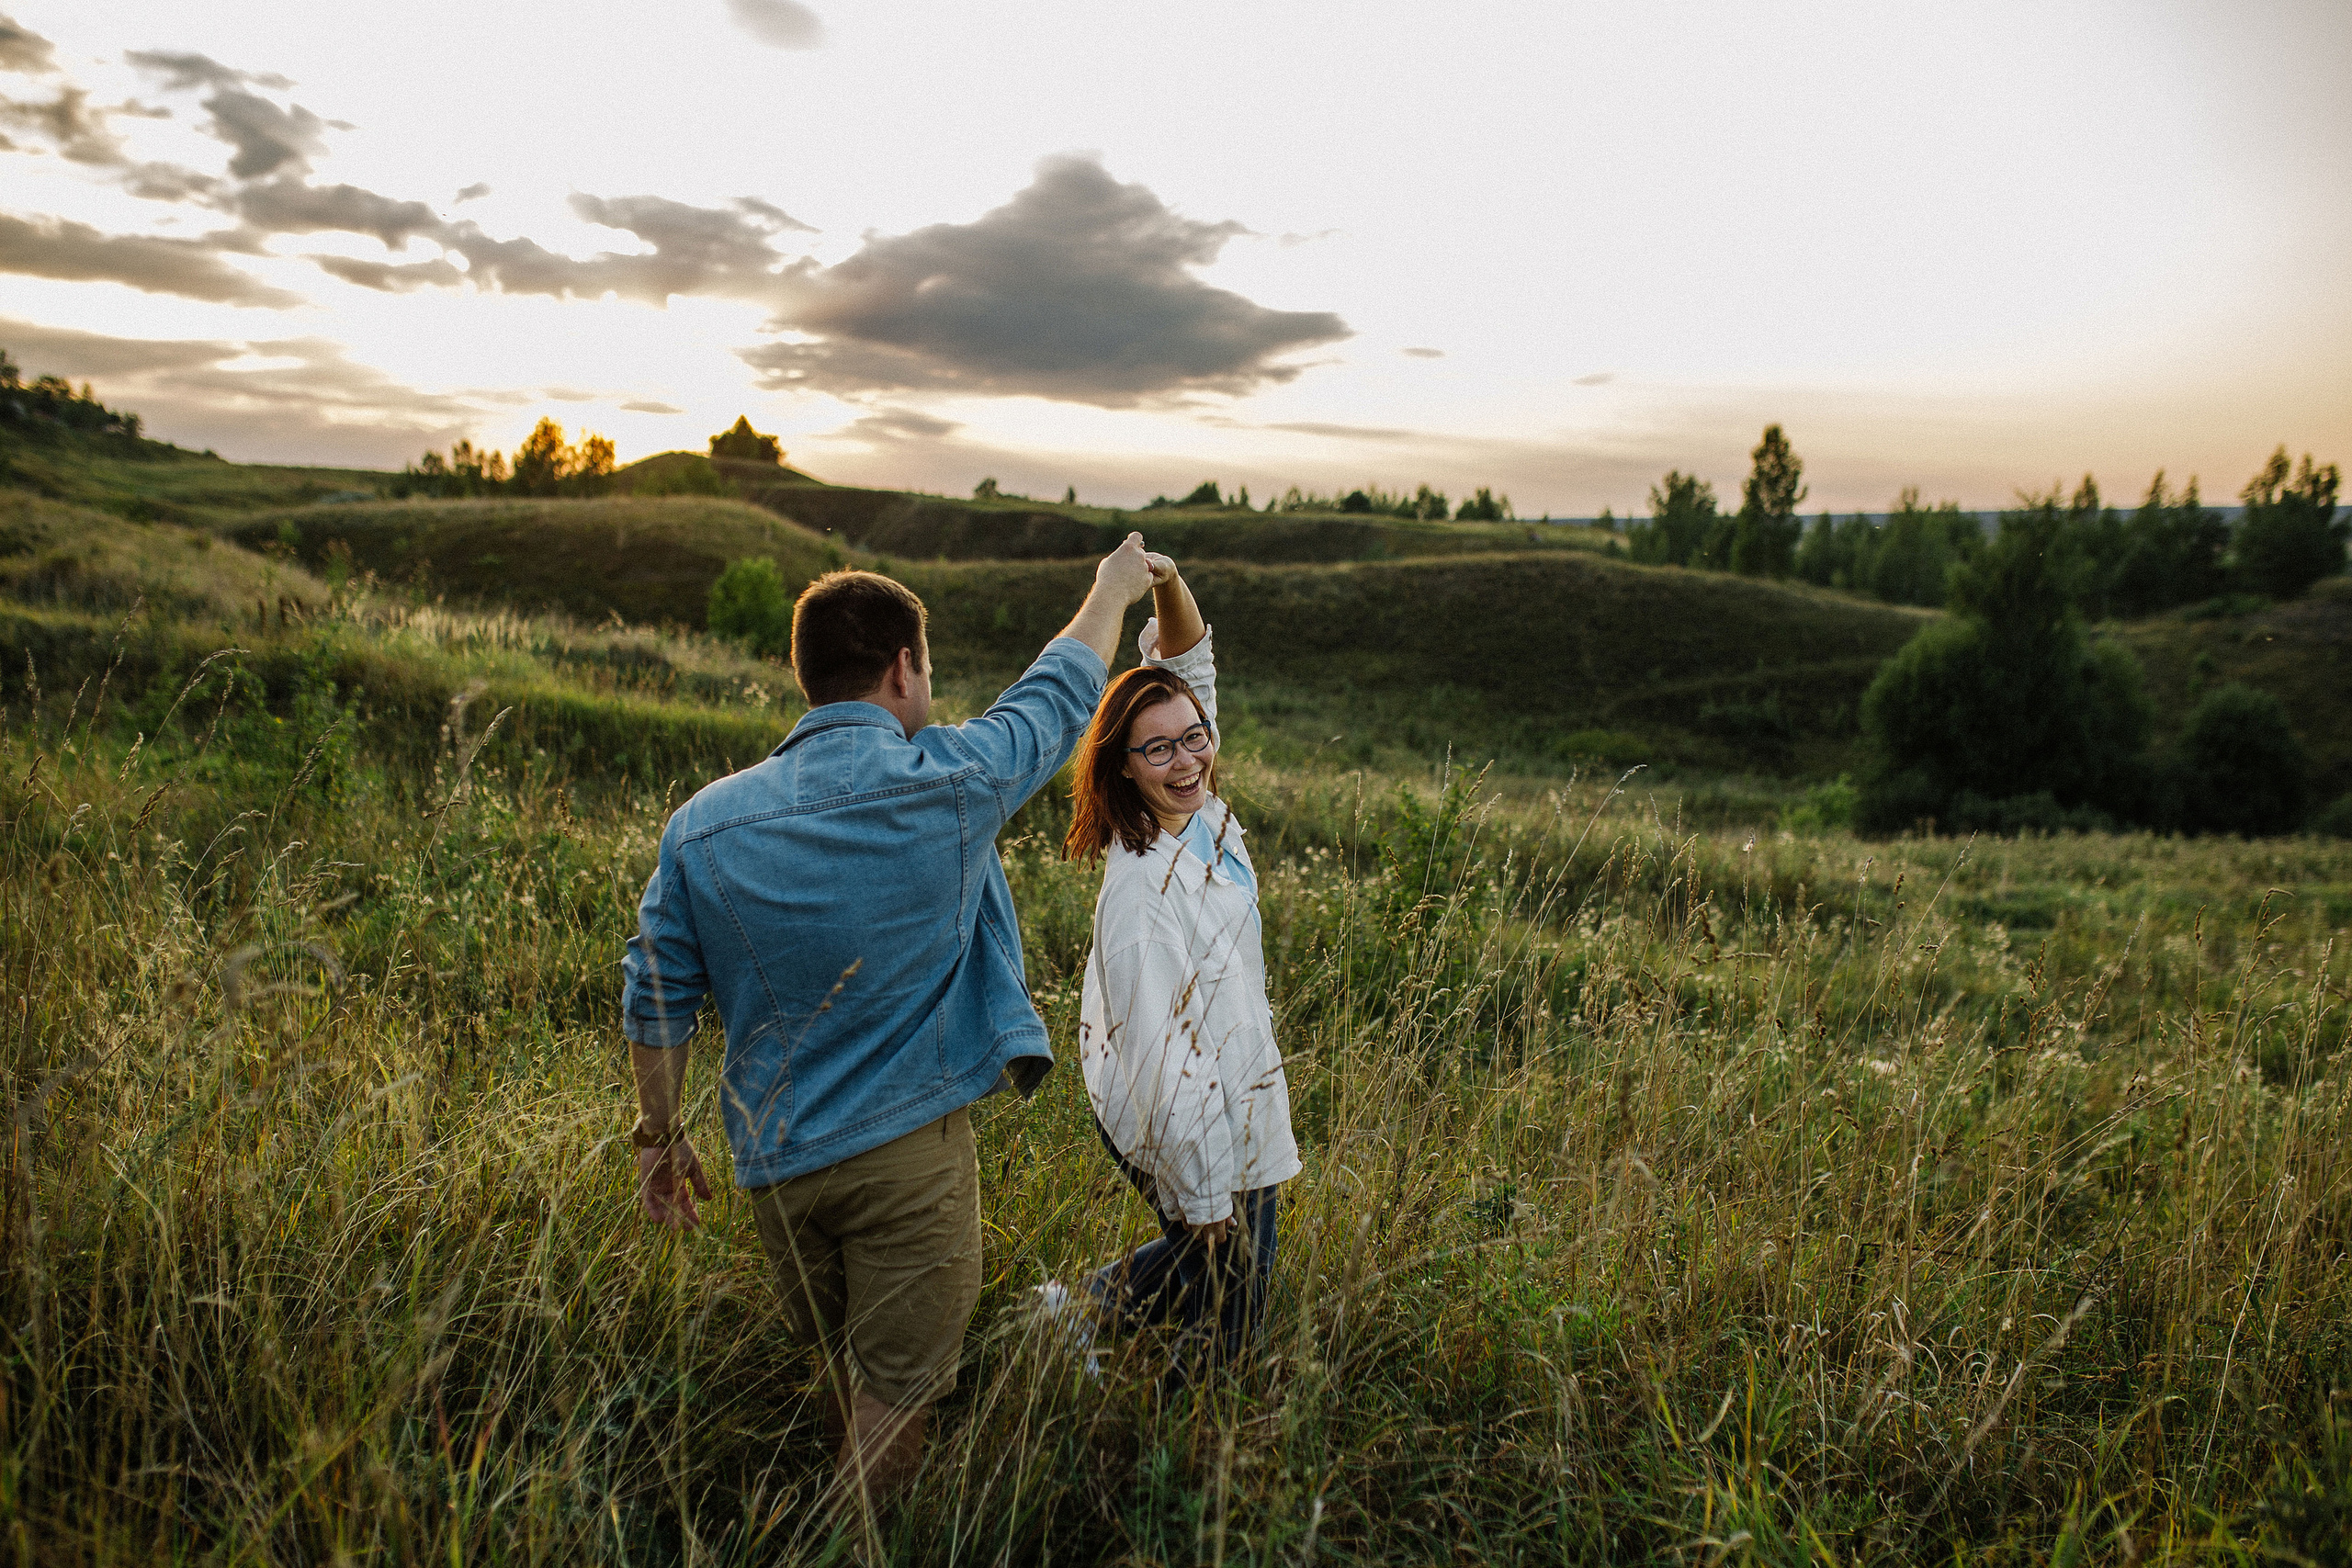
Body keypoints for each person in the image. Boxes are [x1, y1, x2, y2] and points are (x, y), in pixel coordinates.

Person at [619, 535, 1161, 1497]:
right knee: (898, 1409)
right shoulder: (948, 784)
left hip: (774, 1167)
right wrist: (1112, 587)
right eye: (930, 671)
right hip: (907, 1163)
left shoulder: (701, 824)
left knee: (847, 1374)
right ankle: (850, 1538)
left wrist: (659, 1137)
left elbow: (655, 990)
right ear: (903, 667)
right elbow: (1057, 694)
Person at [1049, 559, 1300, 1387]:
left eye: (1195, 737)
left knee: (1220, 1265)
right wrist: (1204, 1189)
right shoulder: (1139, 900)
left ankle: (1074, 1308)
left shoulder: (1199, 808)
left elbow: (1190, 667)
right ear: (1124, 763)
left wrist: (1165, 577)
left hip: (1235, 1081)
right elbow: (1162, 1062)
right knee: (1236, 1295)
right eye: (1158, 747)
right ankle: (1186, 1431)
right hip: (1183, 1109)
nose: (1187, 757)